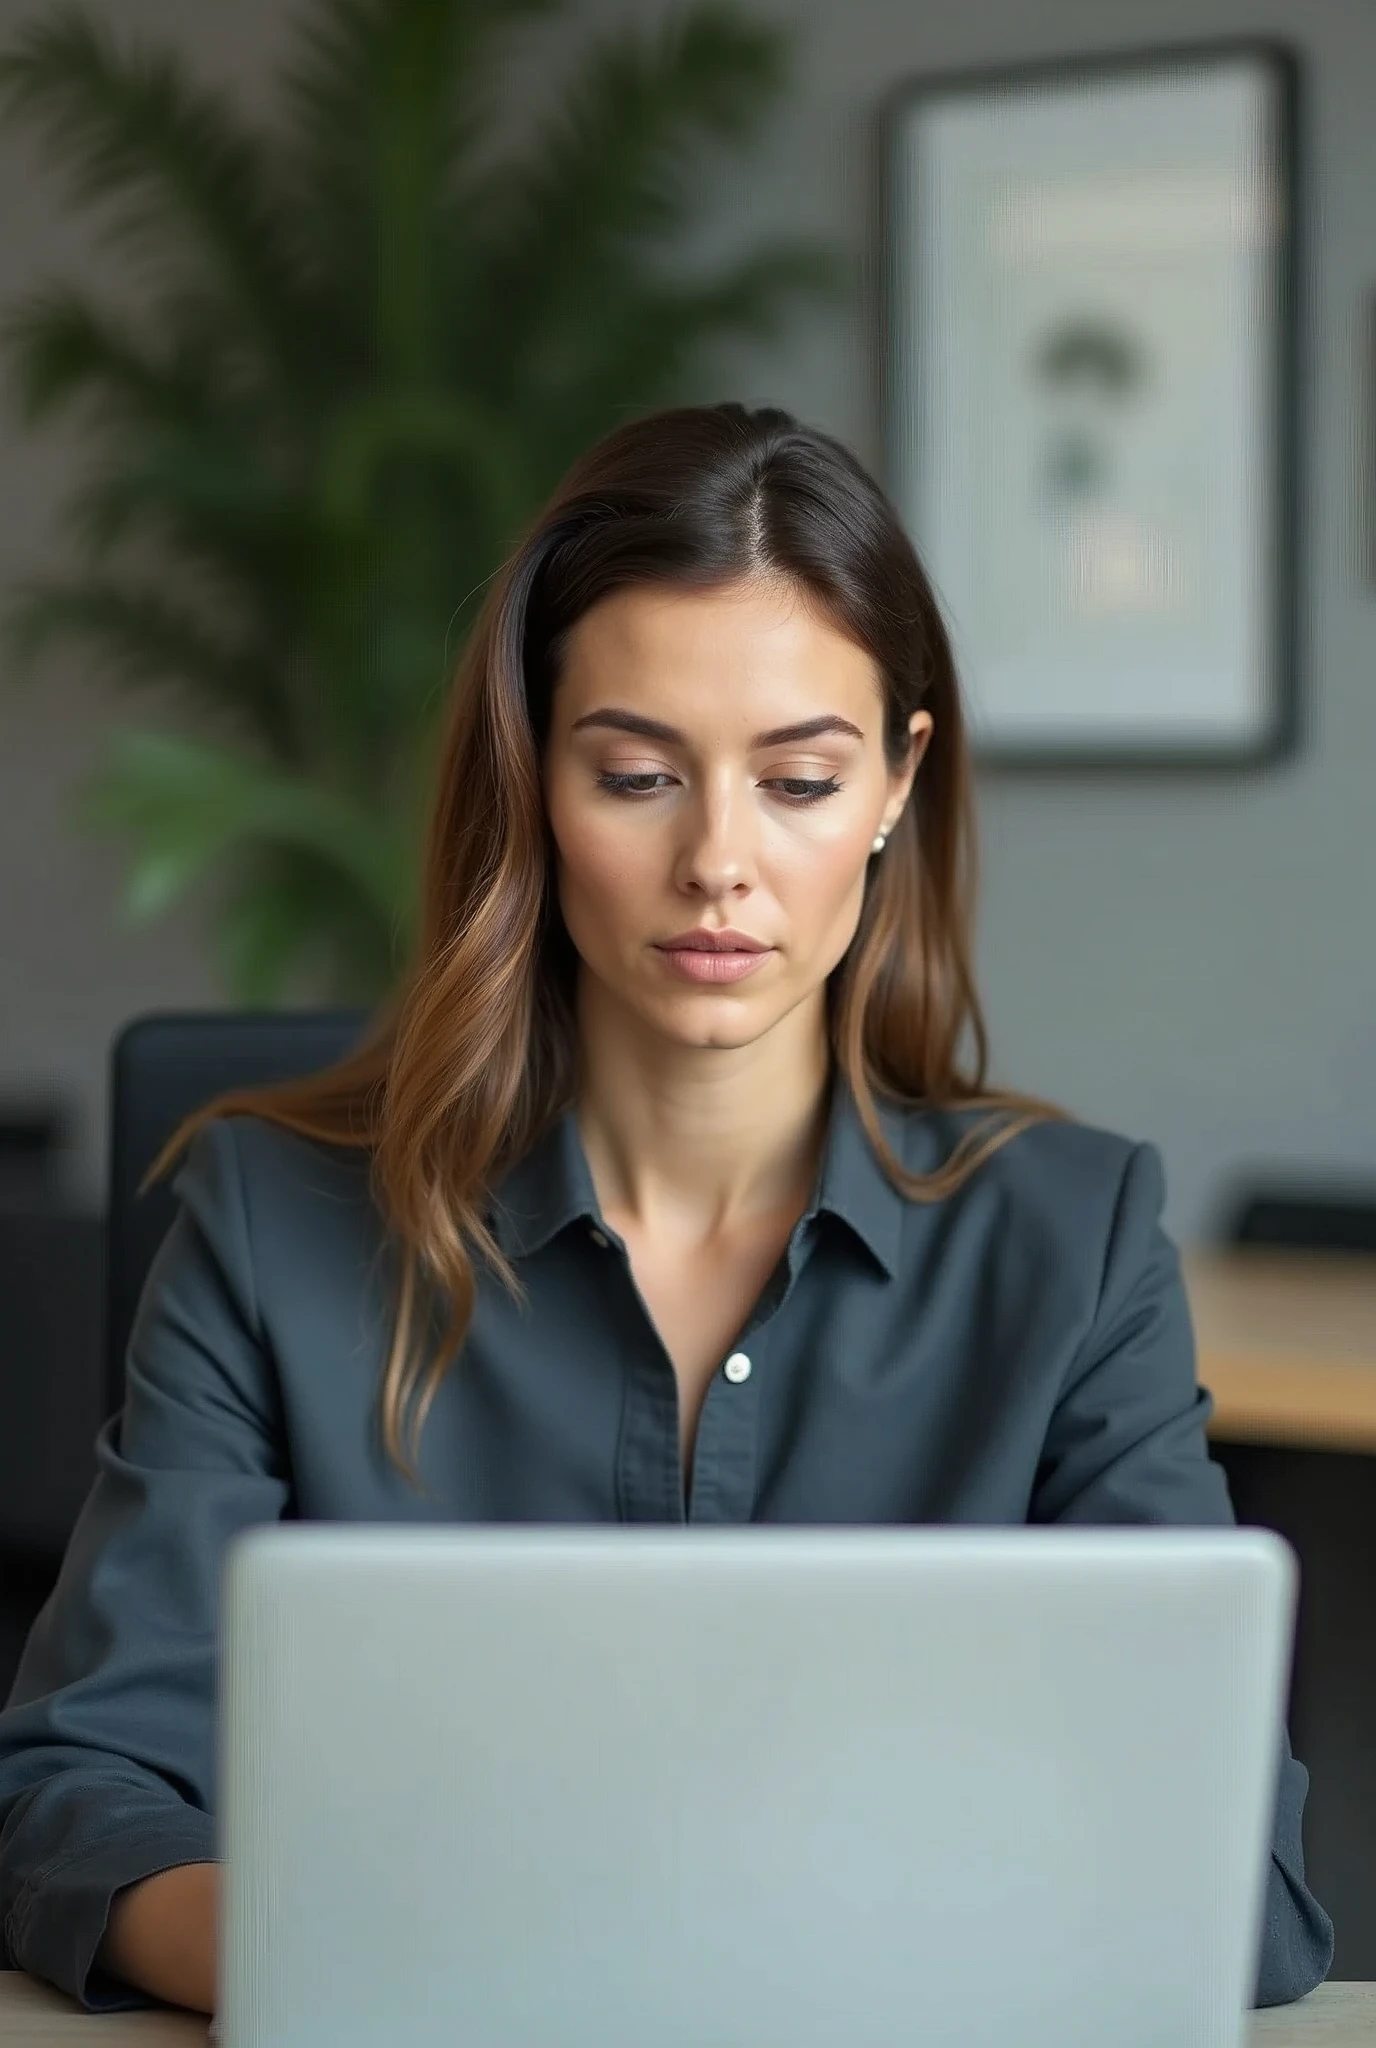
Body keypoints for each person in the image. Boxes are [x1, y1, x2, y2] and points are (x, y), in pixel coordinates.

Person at [0, 403, 1334, 2017]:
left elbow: (1235, 1894)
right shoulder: (269, 1223)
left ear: (898, 785)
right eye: (637, 774)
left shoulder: (1073, 1242)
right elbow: (69, 1800)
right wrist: (342, 1961)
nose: (720, 862)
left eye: (799, 779)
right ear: (534, 778)